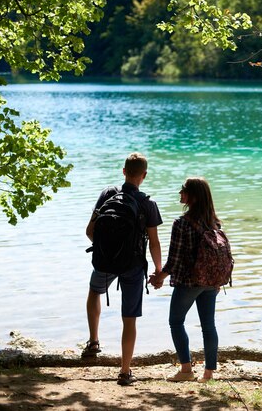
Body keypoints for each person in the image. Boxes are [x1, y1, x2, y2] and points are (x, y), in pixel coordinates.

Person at [83, 152, 163, 386]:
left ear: (124, 171)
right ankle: (125, 372)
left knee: (94, 292)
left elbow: (90, 231)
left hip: (105, 262)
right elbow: (154, 242)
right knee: (129, 319)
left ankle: (93, 342)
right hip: (134, 265)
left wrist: (107, 249)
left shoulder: (108, 194)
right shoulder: (148, 204)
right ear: (144, 175)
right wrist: (159, 270)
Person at [149, 177, 222, 383]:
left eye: (183, 190)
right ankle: (208, 374)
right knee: (209, 326)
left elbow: (174, 260)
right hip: (210, 282)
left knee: (176, 321)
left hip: (189, 283)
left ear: (194, 197)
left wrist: (159, 277)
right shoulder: (214, 223)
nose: (180, 193)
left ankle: (186, 369)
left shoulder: (182, 224)